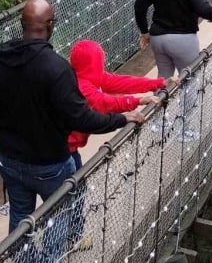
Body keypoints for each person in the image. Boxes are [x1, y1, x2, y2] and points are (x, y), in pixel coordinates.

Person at [0, 0, 148, 263]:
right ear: (51, 26)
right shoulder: (56, 69)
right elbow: (81, 117)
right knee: (61, 216)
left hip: (10, 160)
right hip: (50, 163)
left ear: (23, 25)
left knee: (20, 217)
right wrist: (121, 118)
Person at [133, 0, 212, 139]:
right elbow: (202, 8)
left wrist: (144, 31)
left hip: (158, 39)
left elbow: (139, 5)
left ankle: (158, 122)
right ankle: (184, 128)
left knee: (163, 78)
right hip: (183, 39)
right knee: (189, 80)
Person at [67, 40, 164, 170]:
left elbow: (122, 82)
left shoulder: (85, 77)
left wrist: (157, 83)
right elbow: (104, 102)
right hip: (62, 151)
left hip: (65, 147)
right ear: (95, 63)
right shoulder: (81, 87)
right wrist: (136, 101)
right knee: (76, 188)